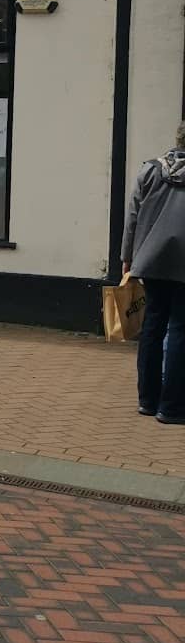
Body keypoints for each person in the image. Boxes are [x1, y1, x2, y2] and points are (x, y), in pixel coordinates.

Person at [122, 124, 185, 422]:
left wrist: (127, 258)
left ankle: (147, 400)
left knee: (152, 325)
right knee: (181, 330)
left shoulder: (150, 170)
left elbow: (133, 215)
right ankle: (172, 407)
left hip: (153, 261)